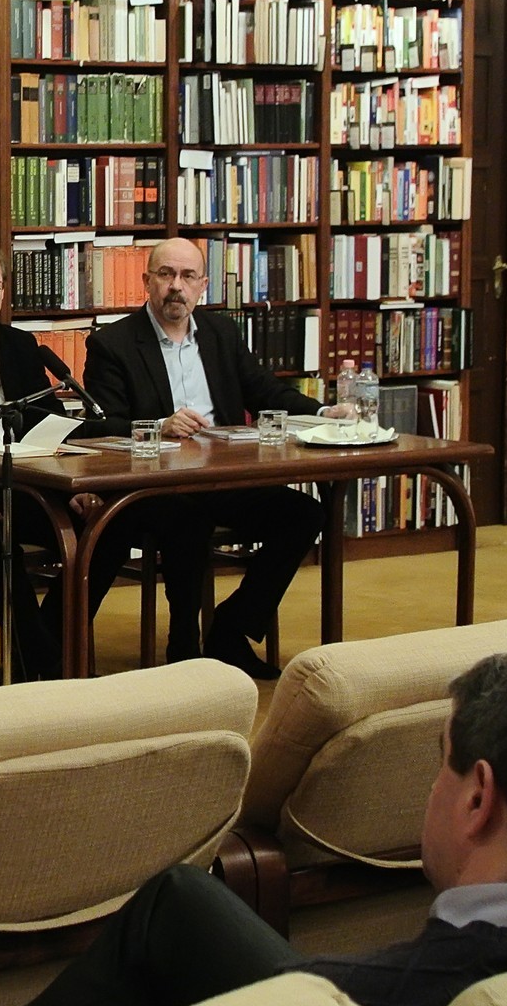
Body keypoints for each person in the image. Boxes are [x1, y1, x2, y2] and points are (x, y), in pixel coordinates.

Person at [21, 649, 507, 1006]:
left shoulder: (337, 995)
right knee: (183, 900)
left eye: (440, 762)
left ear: (478, 799)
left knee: (175, 899)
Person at [0, 235, 193, 681]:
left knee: (108, 521)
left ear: (3, 289)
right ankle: (45, 664)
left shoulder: (20, 347)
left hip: (20, 488)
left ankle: (45, 649)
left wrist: (74, 487)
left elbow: (47, 427)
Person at [82, 237, 354, 679]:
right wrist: (158, 425)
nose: (176, 286)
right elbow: (102, 424)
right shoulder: (112, 343)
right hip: (152, 487)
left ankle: (232, 627)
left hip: (223, 476)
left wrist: (324, 412)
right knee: (186, 520)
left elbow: (265, 391)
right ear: (147, 281)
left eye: (187, 276)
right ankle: (184, 646)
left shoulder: (221, 333)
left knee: (304, 514)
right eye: (166, 274)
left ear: (203, 285)